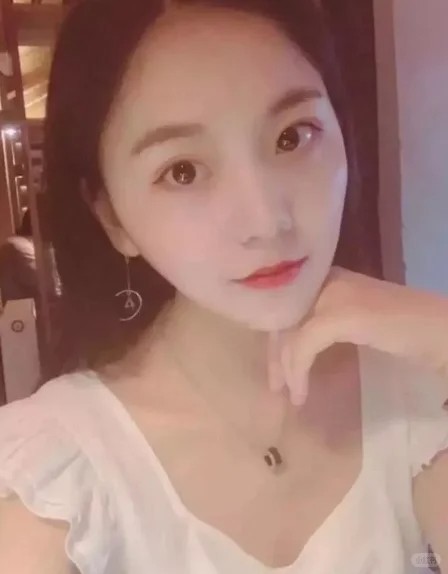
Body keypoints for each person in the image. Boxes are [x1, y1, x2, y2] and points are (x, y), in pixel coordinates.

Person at [0, 1, 447, 572]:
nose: (267, 221)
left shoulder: (413, 394)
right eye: (182, 171)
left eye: (293, 136)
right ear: (111, 216)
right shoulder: (60, 476)